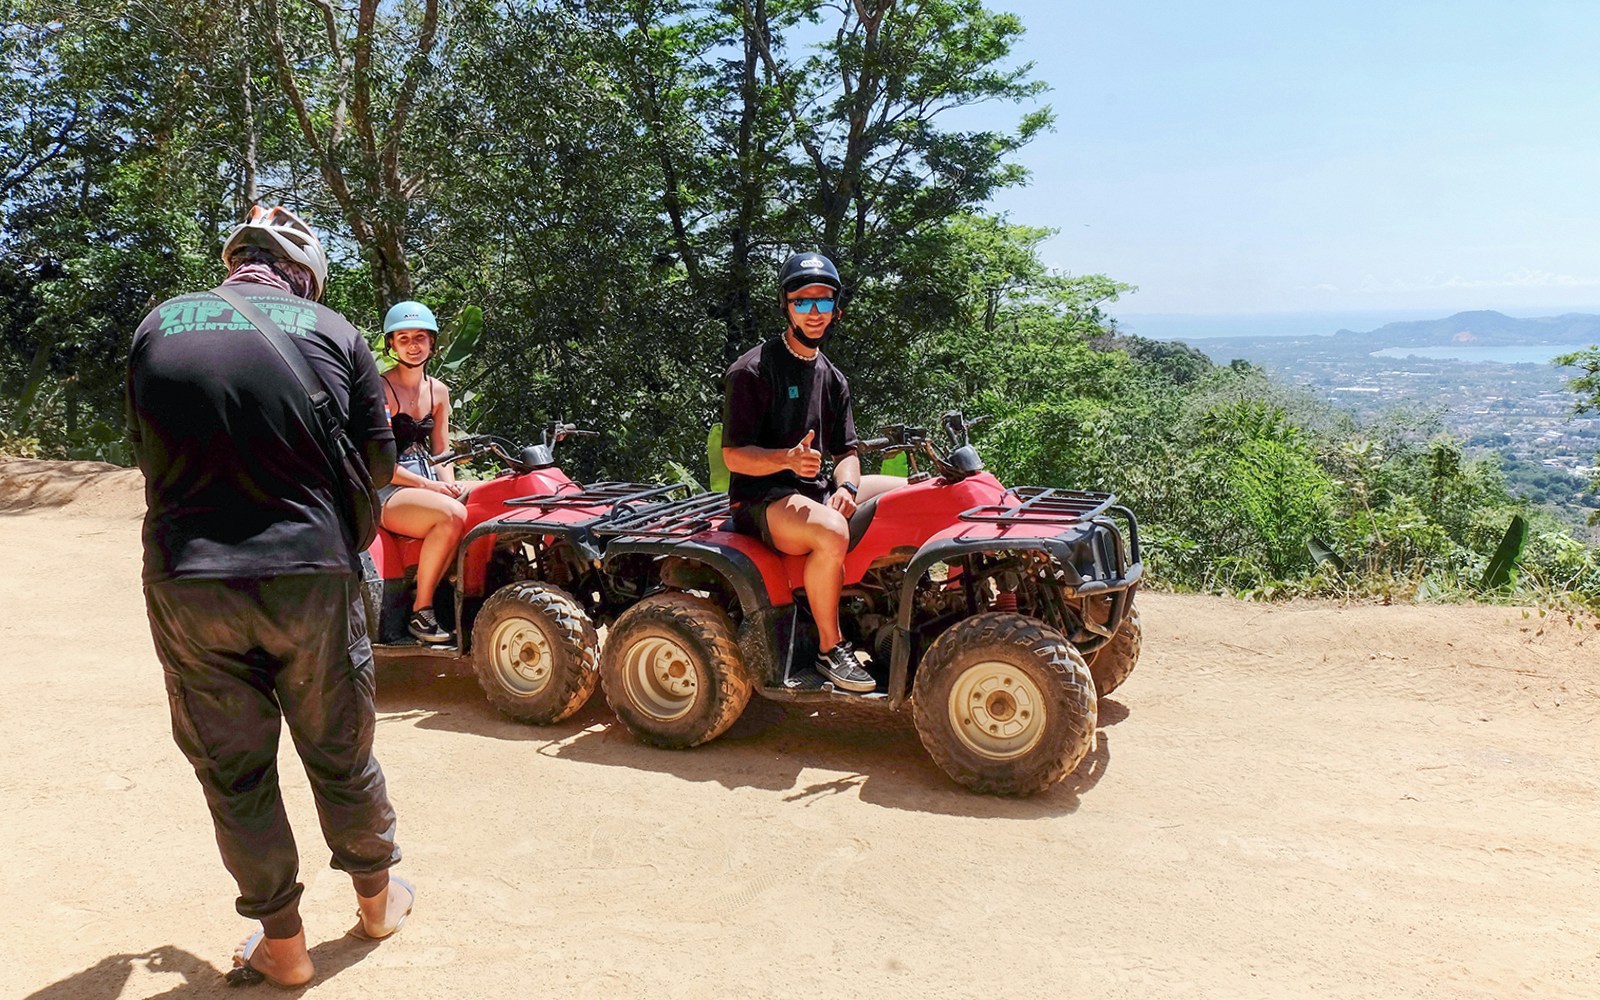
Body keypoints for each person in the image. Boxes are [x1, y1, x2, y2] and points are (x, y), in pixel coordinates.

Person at [126, 205, 415, 989]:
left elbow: (145, 451)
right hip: (310, 572)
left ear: (235, 263)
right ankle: (379, 901)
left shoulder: (155, 327)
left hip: (189, 581)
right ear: (305, 272)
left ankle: (282, 946)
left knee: (235, 772)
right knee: (339, 751)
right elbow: (380, 467)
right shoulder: (336, 330)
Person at [721, 251, 902, 694]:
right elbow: (733, 457)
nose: (815, 312)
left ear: (836, 307)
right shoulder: (752, 370)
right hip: (762, 500)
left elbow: (848, 451)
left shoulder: (834, 378)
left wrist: (847, 485)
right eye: (803, 302)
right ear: (786, 305)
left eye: (823, 301)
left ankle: (901, 609)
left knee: (914, 493)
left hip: (814, 489)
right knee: (832, 530)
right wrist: (785, 459)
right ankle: (829, 648)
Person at [376, 300, 467, 644]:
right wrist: (431, 487)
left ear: (432, 342)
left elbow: (441, 451)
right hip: (389, 487)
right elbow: (379, 462)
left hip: (425, 478)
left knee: (489, 498)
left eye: (420, 338)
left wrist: (450, 483)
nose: (413, 346)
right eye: (403, 338)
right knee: (451, 513)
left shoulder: (439, 390)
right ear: (391, 344)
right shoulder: (379, 389)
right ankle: (422, 610)